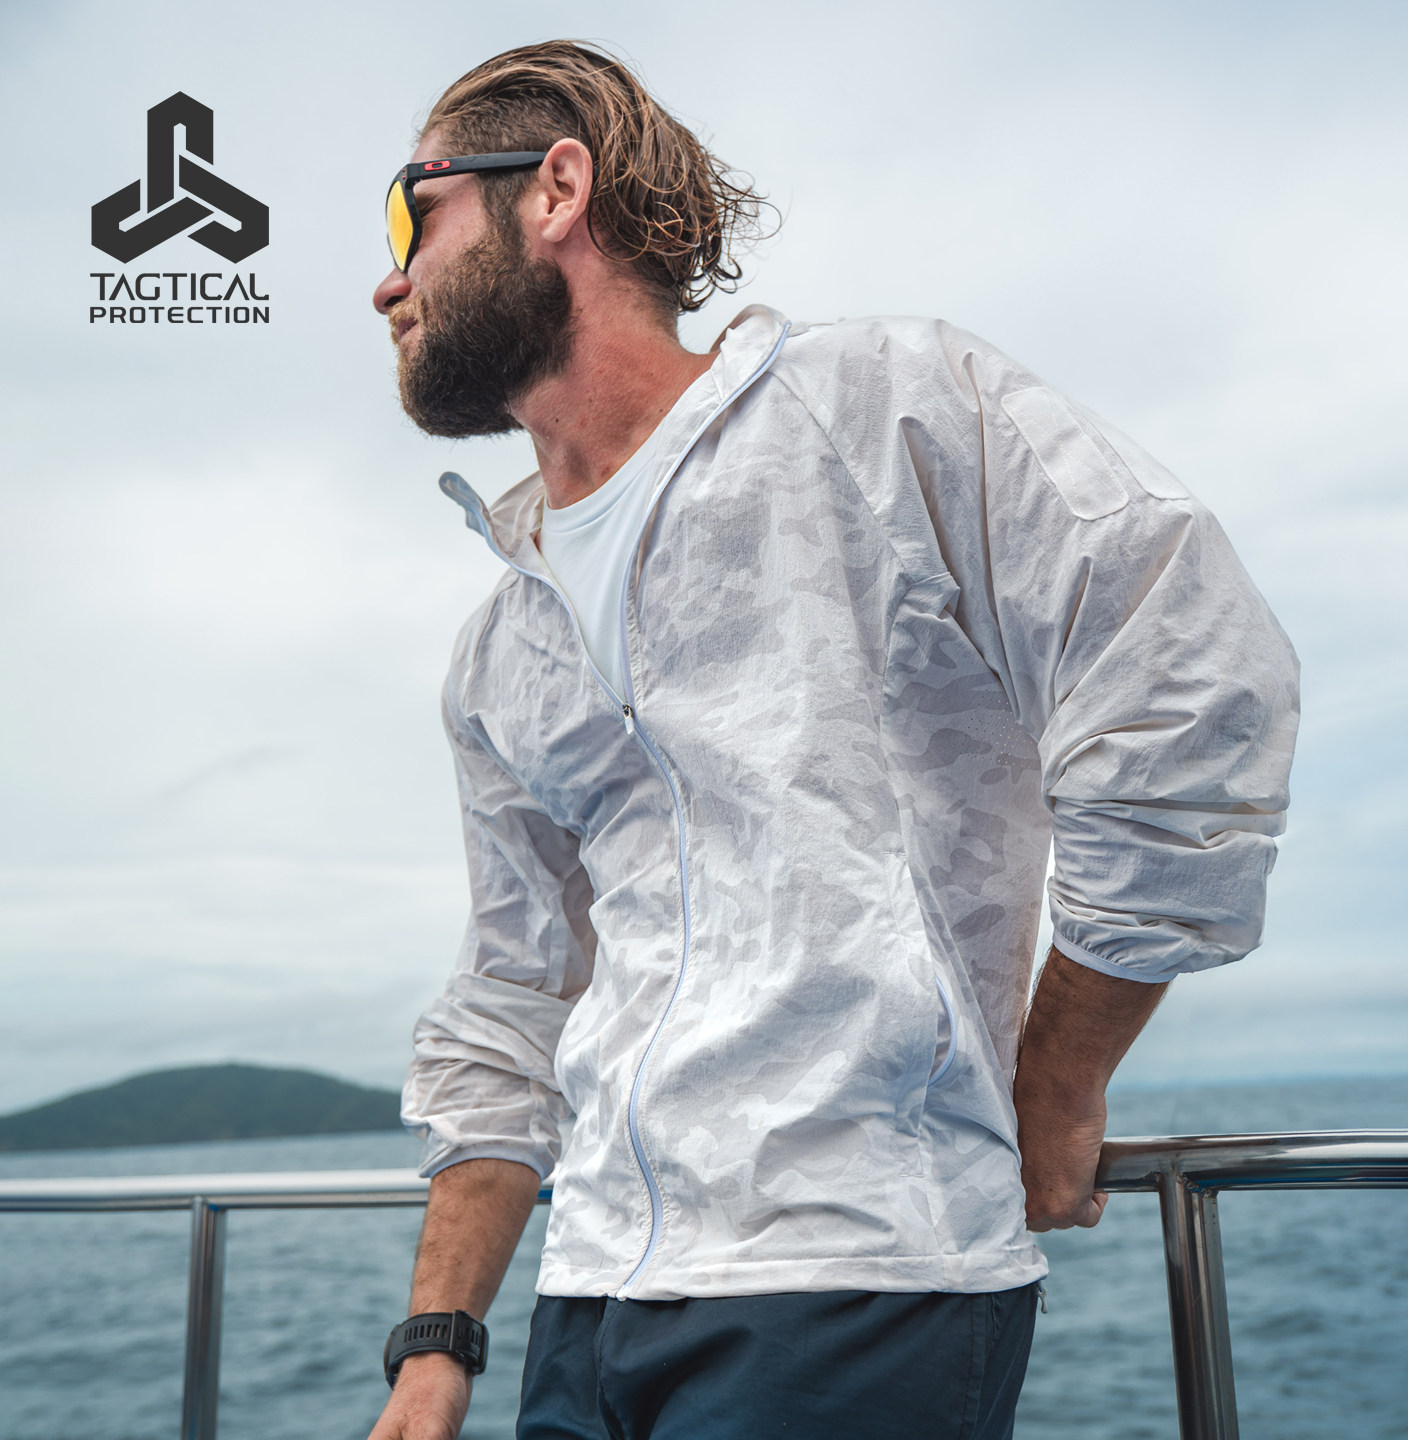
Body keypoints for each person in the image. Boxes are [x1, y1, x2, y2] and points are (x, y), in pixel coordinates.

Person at [366, 40, 1299, 1440]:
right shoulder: (506, 638)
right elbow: (514, 995)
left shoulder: (882, 412)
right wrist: (439, 1345)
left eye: (410, 213)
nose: (387, 281)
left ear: (555, 190)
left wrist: (1059, 1077)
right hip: (591, 1294)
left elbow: (1188, 667)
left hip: (862, 1272)